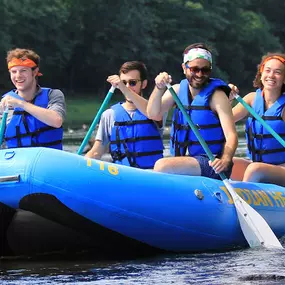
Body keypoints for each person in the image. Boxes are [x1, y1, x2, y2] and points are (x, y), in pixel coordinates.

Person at [146, 43, 238, 179]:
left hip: (213, 164)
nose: (200, 74)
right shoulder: (176, 90)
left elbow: (231, 135)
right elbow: (153, 114)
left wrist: (225, 160)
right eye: (194, 69)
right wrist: (159, 88)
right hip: (188, 162)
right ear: (184, 68)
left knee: (161, 165)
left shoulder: (217, 96)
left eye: (205, 70)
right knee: (155, 168)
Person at [85, 61, 164, 169]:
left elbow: (151, 113)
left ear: (144, 84)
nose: (127, 87)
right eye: (123, 83)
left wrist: (123, 88)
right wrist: (80, 165)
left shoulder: (157, 110)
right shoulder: (109, 115)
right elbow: (96, 152)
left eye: (132, 82)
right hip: (123, 177)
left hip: (150, 176)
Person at [229, 53, 285, 186]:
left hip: (282, 169)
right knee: (225, 162)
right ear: (261, 74)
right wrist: (228, 99)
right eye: (267, 70)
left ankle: (245, 202)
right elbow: (223, 121)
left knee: (255, 169)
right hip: (256, 164)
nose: (271, 75)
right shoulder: (251, 99)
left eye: (277, 72)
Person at [0, 48, 66, 150]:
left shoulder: (53, 95)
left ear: (35, 72)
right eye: (13, 72)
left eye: (23, 70)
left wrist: (21, 103)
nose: (18, 76)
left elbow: (56, 121)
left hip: (48, 160)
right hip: (17, 162)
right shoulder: (4, 103)